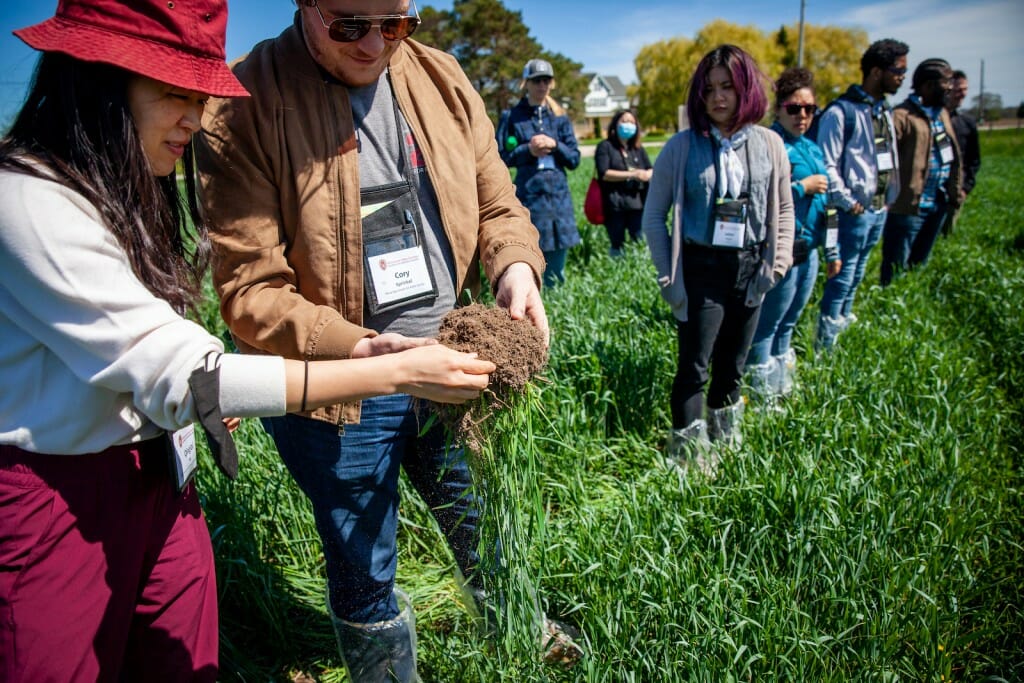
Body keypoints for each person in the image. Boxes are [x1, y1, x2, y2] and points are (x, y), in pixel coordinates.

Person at [0, 1, 497, 681]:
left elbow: (157, 341)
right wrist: (391, 370)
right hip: (63, 493)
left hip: (169, 483)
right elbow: (190, 373)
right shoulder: (24, 203)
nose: (196, 118)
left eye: (199, 95)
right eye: (175, 92)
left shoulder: (129, 186)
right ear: (96, 79)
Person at [195, 2, 578, 678]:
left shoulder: (442, 79)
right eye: (350, 25)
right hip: (337, 390)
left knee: (479, 522)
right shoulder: (245, 104)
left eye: (396, 24)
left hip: (452, 360)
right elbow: (251, 289)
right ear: (305, 7)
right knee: (362, 562)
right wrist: (361, 352)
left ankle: (521, 632)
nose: (376, 44)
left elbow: (497, 203)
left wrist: (516, 267)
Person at [642, 44, 794, 467]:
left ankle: (725, 445)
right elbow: (654, 217)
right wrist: (669, 277)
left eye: (728, 86)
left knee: (734, 363)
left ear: (746, 88)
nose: (719, 98)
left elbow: (782, 209)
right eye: (709, 90)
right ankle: (690, 457)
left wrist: (775, 267)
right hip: (699, 268)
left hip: (749, 269)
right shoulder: (682, 147)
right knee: (695, 366)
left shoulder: (769, 144)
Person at [746, 67, 841, 402]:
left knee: (790, 320)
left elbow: (828, 204)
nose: (802, 115)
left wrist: (832, 250)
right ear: (779, 109)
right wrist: (802, 187)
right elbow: (759, 197)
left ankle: (780, 383)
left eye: (810, 109)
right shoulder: (768, 145)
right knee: (768, 324)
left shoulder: (813, 150)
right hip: (783, 249)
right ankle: (760, 394)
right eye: (794, 108)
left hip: (811, 249)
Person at [816, 38, 907, 350]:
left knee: (857, 274)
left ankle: (842, 326)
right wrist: (848, 201)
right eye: (898, 70)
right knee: (843, 275)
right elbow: (827, 162)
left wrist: (888, 197)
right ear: (876, 71)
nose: (901, 78)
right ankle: (825, 345)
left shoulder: (883, 112)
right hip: (852, 211)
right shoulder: (841, 113)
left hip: (878, 208)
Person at [497, 58, 582, 287]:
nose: (541, 85)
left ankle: (559, 299)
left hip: (559, 195)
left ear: (552, 83)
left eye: (546, 80)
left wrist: (555, 145)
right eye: (536, 81)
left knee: (558, 253)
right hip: (530, 192)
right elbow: (501, 156)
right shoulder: (512, 116)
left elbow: (574, 159)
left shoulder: (560, 118)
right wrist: (529, 150)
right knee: (532, 248)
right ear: (526, 83)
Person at [880, 58, 962, 286]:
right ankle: (889, 306)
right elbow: (883, 161)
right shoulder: (902, 116)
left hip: (937, 202)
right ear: (927, 85)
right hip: (908, 206)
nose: (949, 88)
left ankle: (910, 301)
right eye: (945, 83)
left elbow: (952, 154)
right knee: (895, 267)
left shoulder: (942, 114)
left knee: (918, 265)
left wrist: (955, 192)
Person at [594, 109, 653, 257]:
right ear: (615, 124)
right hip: (615, 204)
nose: (628, 125)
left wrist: (647, 174)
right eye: (624, 121)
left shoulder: (637, 149)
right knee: (617, 243)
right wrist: (633, 174)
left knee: (639, 241)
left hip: (637, 203)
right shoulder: (605, 146)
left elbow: (650, 168)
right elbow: (604, 173)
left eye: (632, 122)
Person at [942, 69, 981, 236]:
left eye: (965, 89)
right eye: (958, 90)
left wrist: (966, 188)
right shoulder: (933, 118)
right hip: (933, 188)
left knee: (947, 233)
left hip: (956, 188)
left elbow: (974, 159)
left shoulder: (967, 122)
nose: (962, 94)